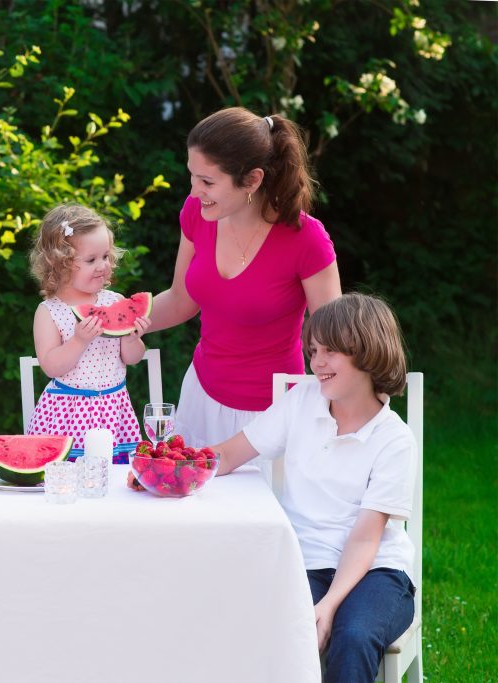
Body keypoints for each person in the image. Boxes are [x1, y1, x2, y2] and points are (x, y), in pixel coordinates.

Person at [212, 293, 416, 682]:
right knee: (273, 630)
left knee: (353, 635)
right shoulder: (302, 401)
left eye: (330, 352)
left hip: (377, 573)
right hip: (305, 563)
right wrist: (165, 468)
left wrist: (328, 607)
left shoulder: (394, 440)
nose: (316, 362)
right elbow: (228, 455)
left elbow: (364, 540)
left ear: (368, 353)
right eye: (313, 350)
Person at [145, 106, 341, 448]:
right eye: (192, 177)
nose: (193, 192)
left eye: (207, 182)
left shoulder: (307, 240)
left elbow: (335, 342)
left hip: (274, 412)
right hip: (201, 397)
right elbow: (180, 301)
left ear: (252, 180)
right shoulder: (197, 213)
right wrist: (109, 324)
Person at [27, 203, 149, 461]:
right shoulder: (49, 311)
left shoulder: (114, 300)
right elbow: (51, 366)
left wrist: (132, 336)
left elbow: (132, 358)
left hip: (114, 410)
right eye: (91, 260)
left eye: (105, 256)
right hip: (67, 413)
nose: (102, 265)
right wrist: (78, 341)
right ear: (59, 264)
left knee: (115, 482)